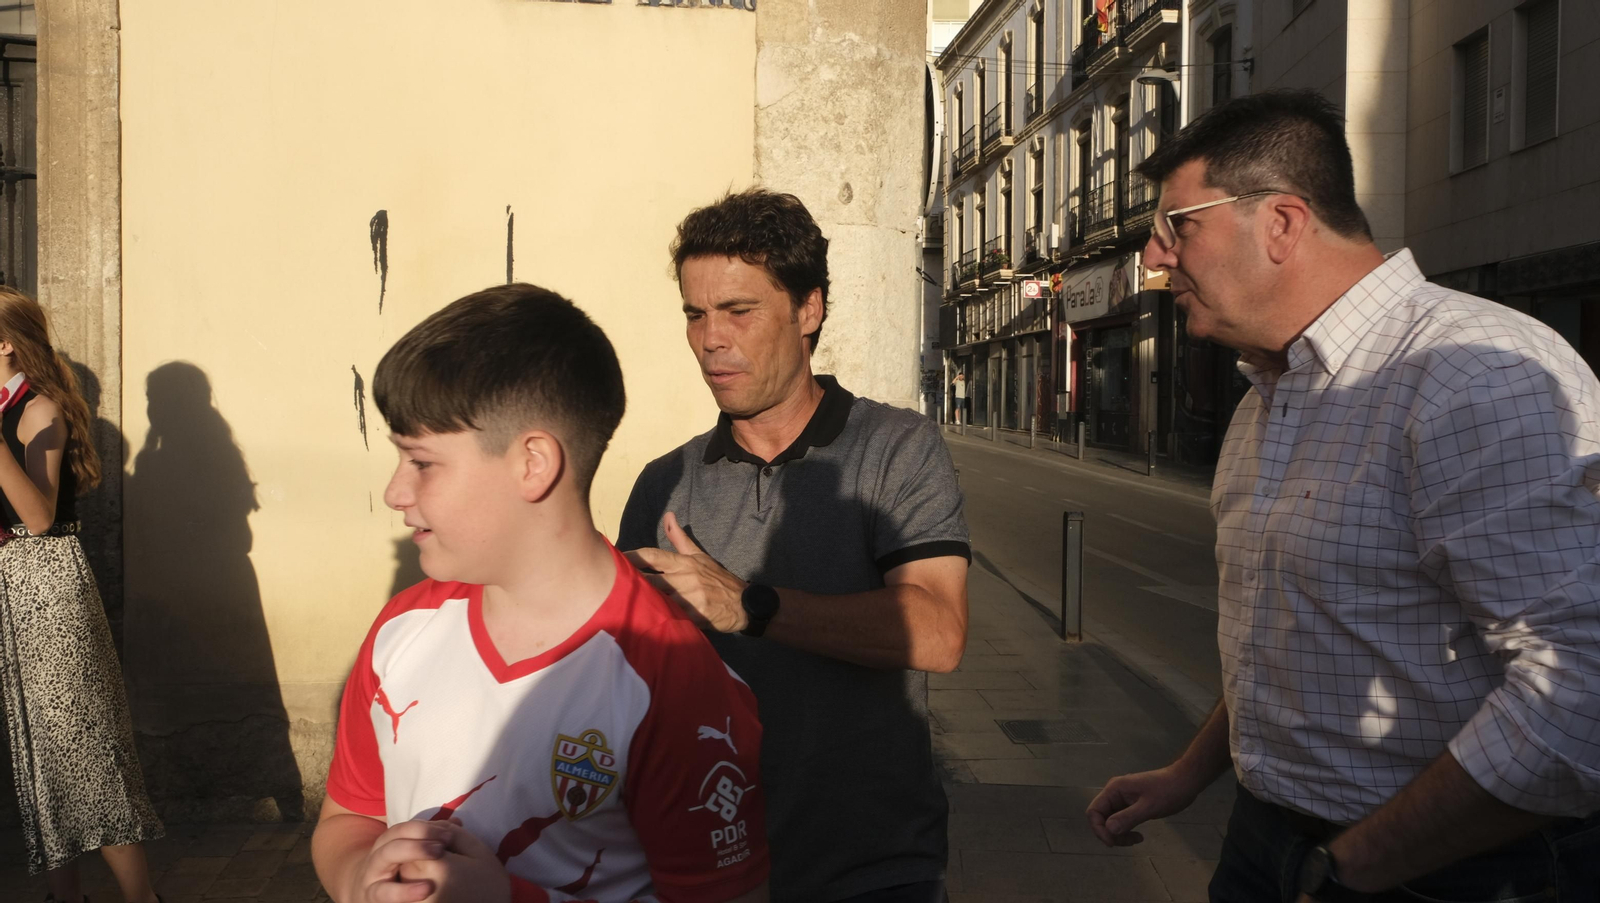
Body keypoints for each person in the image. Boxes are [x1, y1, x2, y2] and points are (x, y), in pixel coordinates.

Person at [1086, 90, 1600, 901]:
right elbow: (1296, 631)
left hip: (1451, 868)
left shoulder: (1478, 375)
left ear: (1283, 223)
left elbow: (1580, 694)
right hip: (1269, 838)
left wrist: (1359, 863)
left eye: (1177, 225)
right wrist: (1190, 773)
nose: (1154, 259)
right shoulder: (1269, 393)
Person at [310, 284, 769, 903]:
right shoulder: (403, 627)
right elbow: (348, 818)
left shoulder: (671, 678)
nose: (395, 492)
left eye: (421, 462)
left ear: (533, 463)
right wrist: (357, 876)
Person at [619, 189, 970, 903]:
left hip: (874, 870)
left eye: (738, 310)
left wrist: (750, 604)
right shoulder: (664, 483)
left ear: (808, 309)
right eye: (695, 314)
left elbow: (938, 632)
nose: (712, 338)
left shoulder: (896, 449)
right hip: (706, 867)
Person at [0, 288, 164, 903]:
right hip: (11, 587)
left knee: (85, 751)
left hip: (45, 580)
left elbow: (38, 517)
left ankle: (141, 897)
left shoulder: (41, 410)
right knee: (39, 758)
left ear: (7, 343)